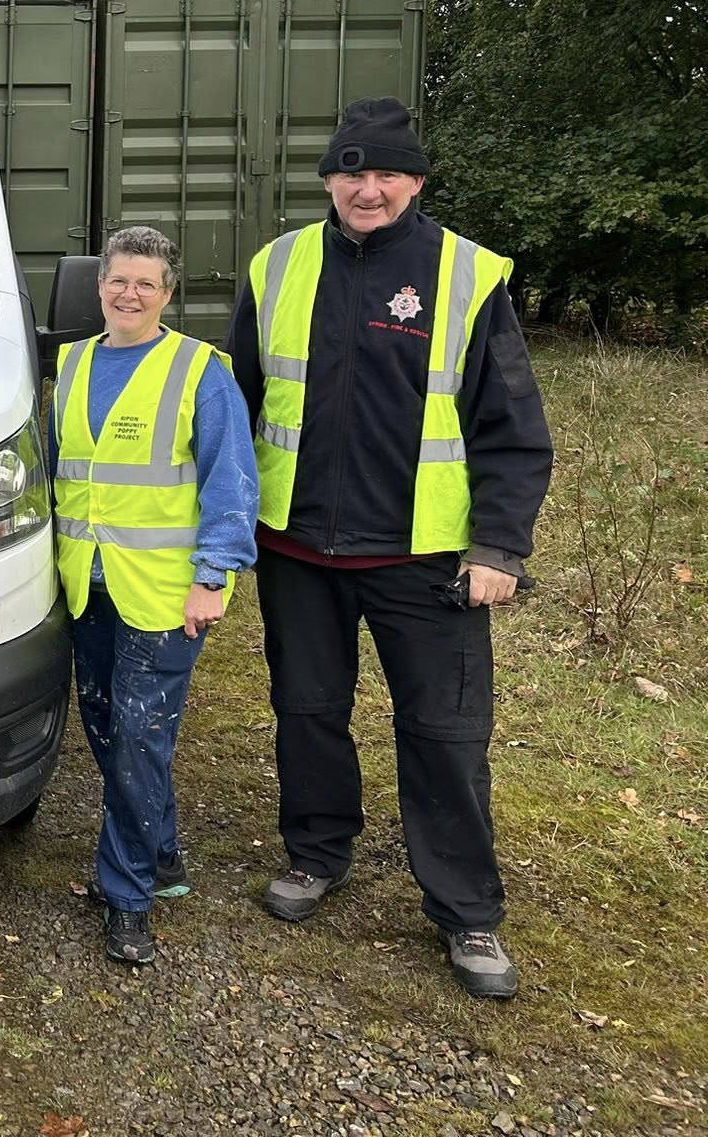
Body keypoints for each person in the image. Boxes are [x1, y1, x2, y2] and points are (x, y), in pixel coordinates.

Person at [227, 96, 552, 999]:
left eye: (388, 175)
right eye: (351, 173)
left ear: (415, 182)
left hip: (428, 561)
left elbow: (511, 428)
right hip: (298, 549)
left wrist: (498, 545)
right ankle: (317, 853)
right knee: (307, 710)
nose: (368, 190)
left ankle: (466, 914)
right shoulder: (277, 266)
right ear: (329, 179)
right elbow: (235, 406)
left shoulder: (467, 274)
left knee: (445, 733)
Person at [51, 226, 257, 966]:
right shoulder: (70, 366)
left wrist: (214, 576)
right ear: (98, 286)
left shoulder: (200, 370)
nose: (128, 293)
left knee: (141, 738)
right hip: (85, 585)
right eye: (118, 280)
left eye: (145, 283)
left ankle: (129, 896)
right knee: (108, 728)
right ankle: (161, 851)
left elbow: (230, 478)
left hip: (168, 593)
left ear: (168, 295)